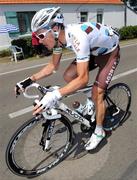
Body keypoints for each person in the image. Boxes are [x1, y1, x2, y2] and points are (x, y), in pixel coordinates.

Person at [15, 7, 120, 151]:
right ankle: (91, 101)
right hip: (93, 50)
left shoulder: (78, 37)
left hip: (109, 54)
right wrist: (28, 80)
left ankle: (99, 131)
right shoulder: (59, 42)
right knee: (68, 76)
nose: (39, 42)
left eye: (41, 36)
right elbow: (53, 66)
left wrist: (55, 95)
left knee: (97, 93)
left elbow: (83, 79)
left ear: (55, 28)